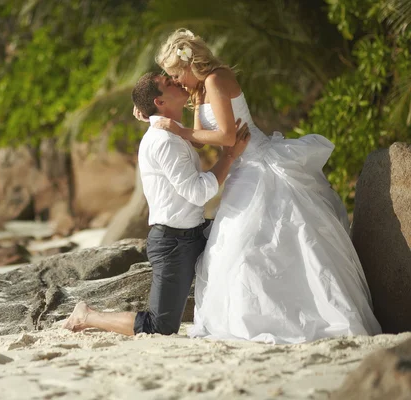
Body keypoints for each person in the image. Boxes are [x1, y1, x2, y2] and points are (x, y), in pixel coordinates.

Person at [144, 28, 381, 343]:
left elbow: (228, 136)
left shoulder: (216, 79)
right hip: (239, 166)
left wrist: (181, 131)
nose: (177, 81)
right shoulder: (201, 89)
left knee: (272, 239)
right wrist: (156, 120)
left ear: (190, 64)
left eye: (176, 73)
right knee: (236, 246)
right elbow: (203, 143)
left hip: (258, 163)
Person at [63, 72, 251, 336]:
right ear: (160, 102)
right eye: (169, 84)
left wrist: (153, 113)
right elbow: (198, 193)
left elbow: (183, 132)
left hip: (197, 232)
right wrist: (229, 156)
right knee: (160, 327)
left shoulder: (171, 133)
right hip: (174, 243)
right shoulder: (164, 141)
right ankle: (88, 316)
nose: (177, 81)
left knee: (249, 243)